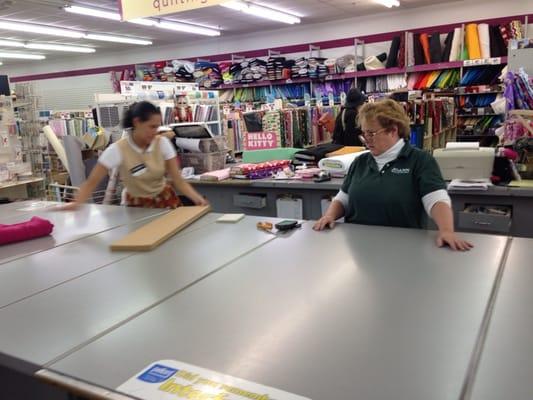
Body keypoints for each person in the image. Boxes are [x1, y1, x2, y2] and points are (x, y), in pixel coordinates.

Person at [314, 99, 473, 251]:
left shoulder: (420, 161)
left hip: (405, 248)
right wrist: (329, 216)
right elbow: (343, 198)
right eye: (364, 134)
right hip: (360, 247)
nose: (366, 140)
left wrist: (446, 231)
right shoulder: (360, 162)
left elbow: (436, 200)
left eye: (372, 133)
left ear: (393, 130)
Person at [63, 101, 208, 210]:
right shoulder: (118, 149)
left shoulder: (162, 144)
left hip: (165, 201)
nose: (155, 131)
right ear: (137, 122)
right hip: (136, 206)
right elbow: (91, 182)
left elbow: (178, 180)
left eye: (157, 126)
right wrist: (75, 204)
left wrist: (197, 199)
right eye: (151, 127)